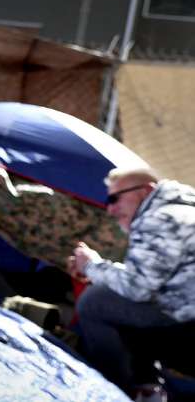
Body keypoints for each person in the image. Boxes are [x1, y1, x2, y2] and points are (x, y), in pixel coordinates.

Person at [67, 167, 195, 395]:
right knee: (118, 301)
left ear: (146, 191)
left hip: (188, 330)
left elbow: (136, 288)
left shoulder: (160, 218)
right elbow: (146, 279)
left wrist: (89, 265)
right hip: (185, 317)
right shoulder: (182, 212)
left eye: (115, 198)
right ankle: (147, 385)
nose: (110, 209)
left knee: (96, 302)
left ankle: (114, 391)